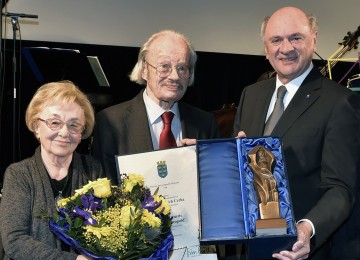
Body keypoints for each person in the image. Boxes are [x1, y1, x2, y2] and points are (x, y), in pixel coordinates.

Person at [233, 6, 360, 260]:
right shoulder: (251, 95)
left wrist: (308, 228)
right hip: (252, 247)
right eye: (276, 40)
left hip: (304, 248)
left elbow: (340, 189)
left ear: (313, 39)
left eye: (296, 37)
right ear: (266, 48)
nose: (286, 48)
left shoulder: (340, 102)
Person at [92, 29, 219, 185]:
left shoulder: (205, 123)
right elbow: (104, 189)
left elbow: (214, 183)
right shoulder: (110, 123)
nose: (174, 76)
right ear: (144, 69)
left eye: (182, 68)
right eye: (164, 66)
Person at [0, 81, 105, 260]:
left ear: (81, 132)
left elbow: (105, 229)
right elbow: (15, 241)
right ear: (36, 127)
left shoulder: (93, 170)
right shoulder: (19, 175)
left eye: (74, 125)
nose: (64, 132)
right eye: (55, 122)